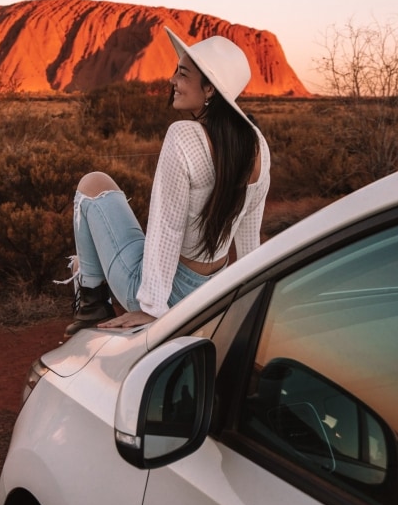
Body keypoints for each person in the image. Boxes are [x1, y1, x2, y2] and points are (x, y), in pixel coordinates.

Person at [64, 29, 271, 336]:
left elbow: (167, 228)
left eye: (183, 74)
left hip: (168, 293)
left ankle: (92, 303)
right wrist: (249, 305)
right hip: (214, 291)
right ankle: (91, 288)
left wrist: (152, 309)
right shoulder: (258, 146)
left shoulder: (183, 136)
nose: (172, 80)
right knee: (104, 246)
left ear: (210, 89)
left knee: (93, 184)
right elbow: (248, 238)